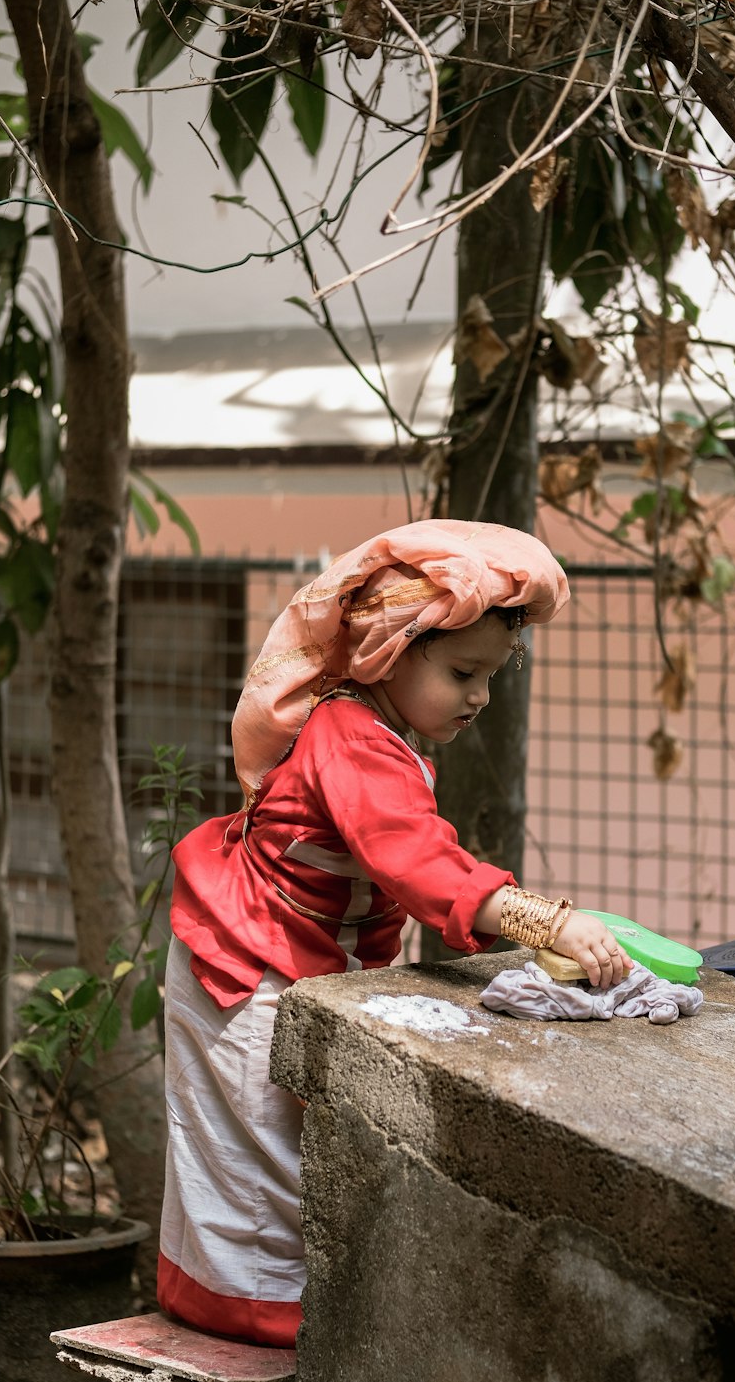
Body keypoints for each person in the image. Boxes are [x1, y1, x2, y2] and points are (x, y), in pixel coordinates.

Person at [156, 519, 632, 1347]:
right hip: (248, 960)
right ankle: (260, 1323)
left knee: (262, 1147)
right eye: (461, 672)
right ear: (390, 649)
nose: (480, 696)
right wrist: (547, 920)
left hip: (278, 952)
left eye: (489, 675)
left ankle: (263, 1314)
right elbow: (416, 861)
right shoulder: (353, 736)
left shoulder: (378, 731)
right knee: (262, 1156)